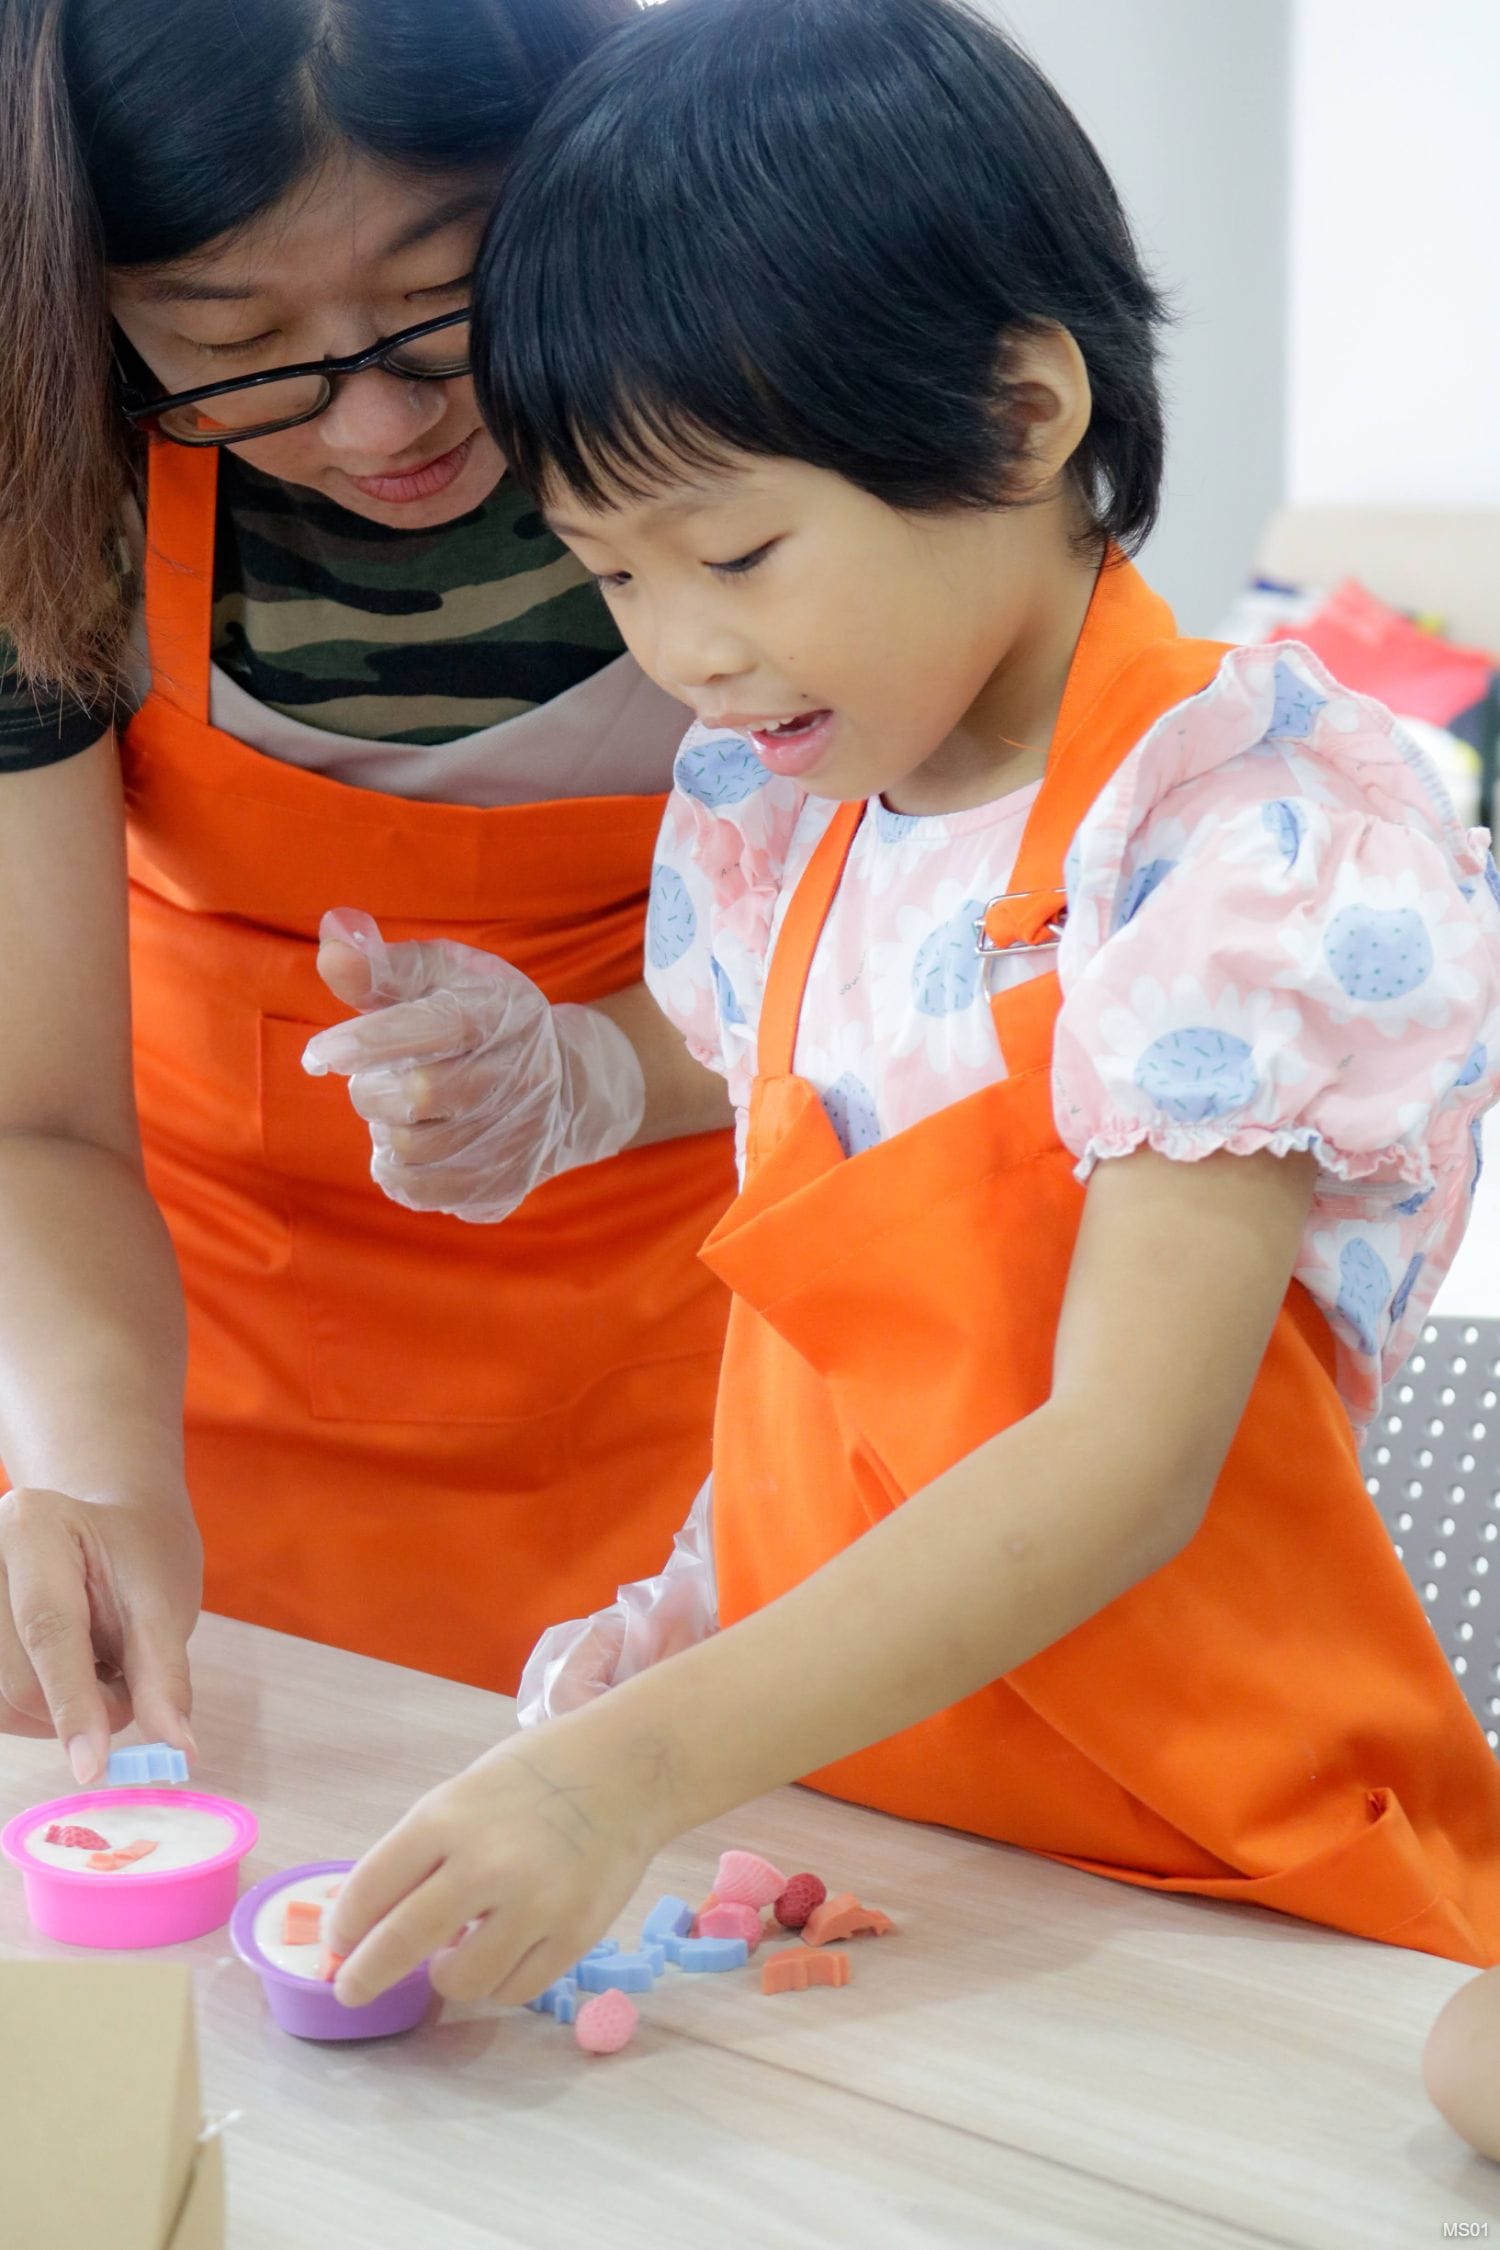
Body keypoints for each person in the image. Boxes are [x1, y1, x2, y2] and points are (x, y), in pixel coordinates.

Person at [300, 0, 1500, 2009]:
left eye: (740, 550)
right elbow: (833, 1076)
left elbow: (1123, 1458)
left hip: (1213, 1884)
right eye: (613, 572)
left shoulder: (1248, 837)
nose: (683, 646)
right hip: (867, 1832)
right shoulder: (803, 812)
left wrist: (628, 1774)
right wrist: (577, 1070)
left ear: (1025, 416)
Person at [0, 0, 739, 1786]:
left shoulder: (760, 392)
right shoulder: (52, 484)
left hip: (710, 1379)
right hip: (200, 1367)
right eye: (232, 340)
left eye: (440, 288)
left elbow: (964, 968)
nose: (381, 420)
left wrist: (598, 1070)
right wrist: (101, 1475)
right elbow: (38, 1122)